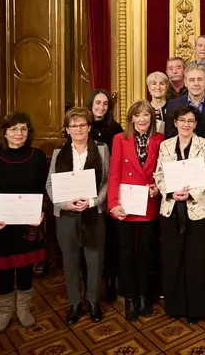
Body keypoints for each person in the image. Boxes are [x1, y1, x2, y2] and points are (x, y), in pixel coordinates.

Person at [0, 112, 48, 332]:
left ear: (29, 132)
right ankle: (5, 311)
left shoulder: (37, 156)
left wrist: (42, 212)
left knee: (26, 268)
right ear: (5, 133)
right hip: (2, 225)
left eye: (23, 129)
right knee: (4, 270)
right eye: (14, 129)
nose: (19, 133)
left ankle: (23, 308)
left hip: (29, 224)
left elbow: (44, 189)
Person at [154, 106, 205, 323]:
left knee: (198, 261)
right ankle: (177, 307)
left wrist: (190, 194)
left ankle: (198, 309)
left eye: (190, 121)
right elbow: (159, 175)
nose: (186, 125)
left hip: (199, 210)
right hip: (171, 209)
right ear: (175, 123)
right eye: (182, 120)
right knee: (174, 259)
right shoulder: (165, 146)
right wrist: (171, 193)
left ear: (196, 124)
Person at [46, 107, 110, 324]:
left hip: (93, 212)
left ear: (89, 127)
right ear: (67, 129)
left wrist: (93, 202)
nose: (78, 129)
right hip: (66, 214)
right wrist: (65, 204)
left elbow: (108, 182)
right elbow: (50, 184)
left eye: (82, 125)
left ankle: (93, 301)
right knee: (70, 259)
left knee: (95, 259)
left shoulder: (101, 149)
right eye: (73, 126)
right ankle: (74, 302)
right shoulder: (59, 151)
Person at [108, 101, 165, 321]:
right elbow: (114, 173)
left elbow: (162, 171)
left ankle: (144, 296)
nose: (142, 119)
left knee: (146, 252)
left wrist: (158, 187)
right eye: (138, 115)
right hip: (126, 204)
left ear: (152, 119)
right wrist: (113, 203)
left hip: (148, 202)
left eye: (146, 115)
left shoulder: (160, 140)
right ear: (131, 118)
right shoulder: (119, 139)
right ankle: (130, 297)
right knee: (125, 253)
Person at [85, 89, 124, 300]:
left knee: (110, 237)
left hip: (108, 187)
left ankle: (110, 278)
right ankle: (90, 282)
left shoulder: (115, 128)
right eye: (98, 103)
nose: (101, 107)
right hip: (85, 188)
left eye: (105, 104)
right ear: (90, 104)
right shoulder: (81, 125)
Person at [164, 65, 205, 139]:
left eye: (200, 79)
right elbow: (169, 136)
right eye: (192, 80)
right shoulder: (173, 105)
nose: (196, 83)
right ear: (185, 82)